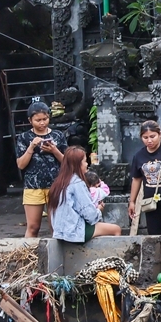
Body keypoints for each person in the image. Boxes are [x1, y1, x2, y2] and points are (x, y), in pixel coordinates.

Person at [15, 101, 67, 238]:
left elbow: (67, 162)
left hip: (55, 184)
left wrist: (54, 150)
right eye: (38, 120)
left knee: (56, 226)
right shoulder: (24, 138)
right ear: (30, 120)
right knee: (33, 227)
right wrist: (31, 147)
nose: (42, 123)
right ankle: (27, 256)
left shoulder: (58, 135)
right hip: (33, 185)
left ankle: (57, 256)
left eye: (45, 119)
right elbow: (20, 164)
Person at [48, 146, 121, 242]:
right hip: (74, 231)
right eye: (85, 161)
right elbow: (90, 216)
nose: (87, 164)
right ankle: (112, 257)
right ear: (78, 164)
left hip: (59, 231)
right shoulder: (77, 183)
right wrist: (99, 210)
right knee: (116, 229)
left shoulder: (59, 182)